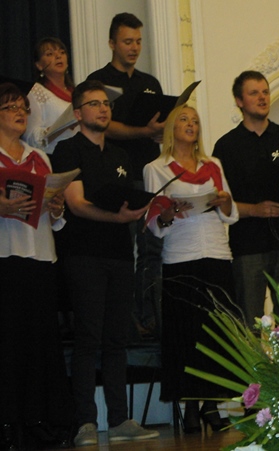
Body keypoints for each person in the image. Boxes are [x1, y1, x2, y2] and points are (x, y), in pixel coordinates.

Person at [51, 80, 159, 446]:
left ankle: (119, 420)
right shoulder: (67, 150)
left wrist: (146, 210)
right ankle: (85, 422)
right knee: (88, 339)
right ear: (77, 113)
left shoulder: (121, 155)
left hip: (119, 254)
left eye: (106, 104)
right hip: (83, 255)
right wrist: (118, 217)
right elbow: (76, 204)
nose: (103, 109)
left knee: (116, 340)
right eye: (94, 104)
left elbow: (128, 203)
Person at [143, 105, 237, 433]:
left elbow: (230, 214)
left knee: (215, 333)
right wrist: (168, 214)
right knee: (187, 333)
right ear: (171, 127)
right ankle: (192, 406)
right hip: (181, 256)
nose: (190, 124)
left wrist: (224, 201)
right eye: (183, 119)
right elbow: (154, 222)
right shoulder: (156, 168)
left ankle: (212, 404)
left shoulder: (214, 165)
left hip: (216, 252)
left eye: (195, 120)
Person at [0, 82, 73, 450]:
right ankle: (8, 422)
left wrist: (56, 208)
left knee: (41, 342)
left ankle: (40, 420)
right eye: (11, 107)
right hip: (6, 257)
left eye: (23, 108)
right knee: (9, 343)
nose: (20, 113)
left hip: (41, 257)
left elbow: (55, 217)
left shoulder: (39, 157)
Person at [213, 70, 279, 324]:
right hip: (247, 245)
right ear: (239, 101)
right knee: (250, 323)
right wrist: (254, 209)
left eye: (265, 92)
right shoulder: (226, 146)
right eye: (254, 93)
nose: (262, 97)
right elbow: (219, 203)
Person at [87, 12, 165, 339]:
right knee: (123, 250)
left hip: (150, 175)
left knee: (152, 248)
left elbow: (159, 126)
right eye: (127, 41)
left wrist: (162, 131)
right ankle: (127, 320)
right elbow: (105, 126)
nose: (134, 48)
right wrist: (144, 131)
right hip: (116, 178)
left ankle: (152, 318)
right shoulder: (98, 82)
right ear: (111, 43)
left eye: (138, 42)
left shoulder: (150, 83)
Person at [23, 37, 79, 154]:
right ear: (39, 65)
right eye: (50, 54)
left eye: (62, 52)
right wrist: (63, 124)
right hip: (55, 157)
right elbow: (30, 138)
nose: (58, 56)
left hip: (80, 154)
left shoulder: (77, 92)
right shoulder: (36, 92)